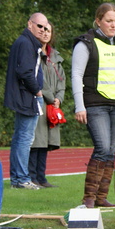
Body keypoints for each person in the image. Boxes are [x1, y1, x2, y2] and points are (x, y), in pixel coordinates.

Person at [72, 3, 115, 208]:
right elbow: (76, 75)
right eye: (109, 20)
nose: (113, 25)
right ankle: (89, 198)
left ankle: (101, 197)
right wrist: (79, 106)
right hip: (95, 104)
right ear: (98, 20)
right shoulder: (86, 44)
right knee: (102, 148)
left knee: (111, 150)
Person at [4, 13, 48, 190]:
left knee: (20, 138)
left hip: (24, 95)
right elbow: (25, 72)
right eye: (39, 26)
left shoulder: (27, 42)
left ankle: (17, 178)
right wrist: (37, 91)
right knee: (24, 138)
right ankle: (21, 178)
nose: (43, 30)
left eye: (45, 28)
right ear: (30, 24)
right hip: (26, 96)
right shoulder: (26, 43)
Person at [28, 22, 66, 188]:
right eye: (42, 30)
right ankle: (32, 177)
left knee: (46, 142)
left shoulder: (55, 57)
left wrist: (59, 98)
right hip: (38, 102)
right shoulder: (33, 54)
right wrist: (51, 98)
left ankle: (42, 178)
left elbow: (62, 81)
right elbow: (39, 80)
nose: (45, 33)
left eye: (49, 30)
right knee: (36, 141)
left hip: (52, 106)